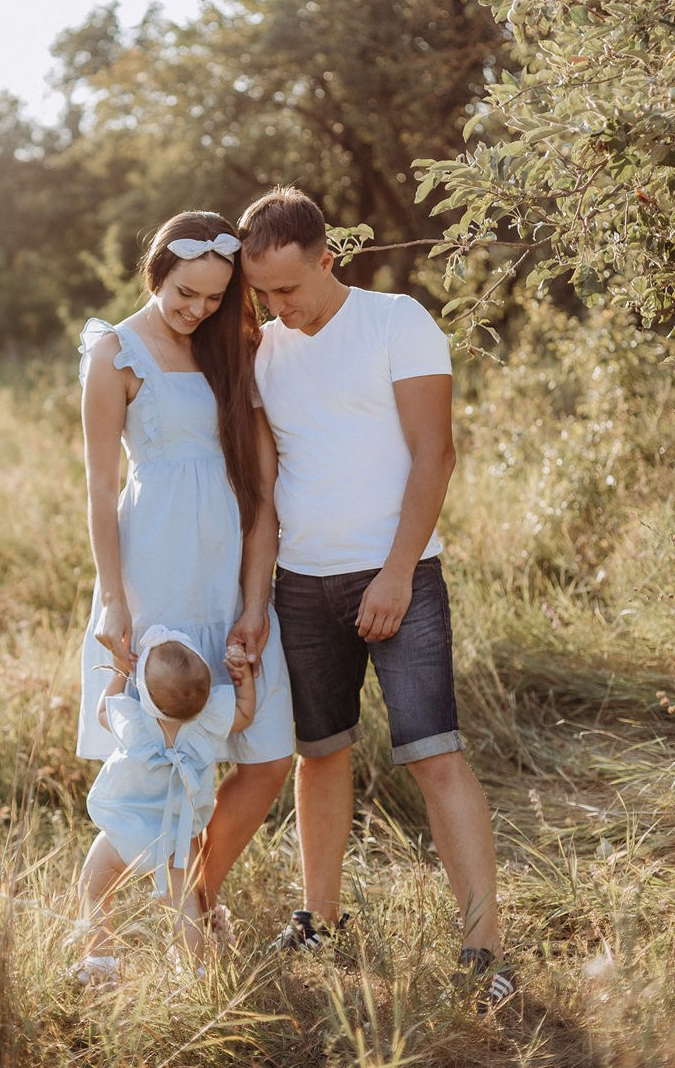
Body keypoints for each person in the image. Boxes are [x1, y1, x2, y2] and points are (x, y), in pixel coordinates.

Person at [235, 186, 515, 1013]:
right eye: (264, 293)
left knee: (434, 755)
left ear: (328, 259)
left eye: (290, 287)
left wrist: (395, 573)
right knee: (318, 753)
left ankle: (483, 949)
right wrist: (256, 597)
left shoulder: (397, 322)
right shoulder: (263, 349)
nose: (280, 307)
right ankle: (319, 921)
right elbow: (266, 489)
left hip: (401, 577)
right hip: (301, 584)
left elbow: (436, 454)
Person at [77, 210, 294, 928]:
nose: (198, 310)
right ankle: (110, 928)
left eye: (214, 298)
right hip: (157, 573)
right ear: (156, 274)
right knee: (161, 761)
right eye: (185, 294)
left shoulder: (233, 348)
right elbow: (100, 490)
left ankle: (197, 894)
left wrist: (255, 601)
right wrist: (116, 602)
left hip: (226, 570)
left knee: (267, 752)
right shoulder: (115, 353)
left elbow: (261, 491)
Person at [74, 627, 256, 982]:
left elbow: (102, 711)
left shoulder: (135, 722)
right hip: (176, 839)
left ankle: (99, 961)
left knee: (93, 887)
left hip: (125, 833)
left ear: (143, 691)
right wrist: (243, 678)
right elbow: (245, 714)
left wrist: (119, 671)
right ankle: (194, 973)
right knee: (184, 906)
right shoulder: (209, 721)